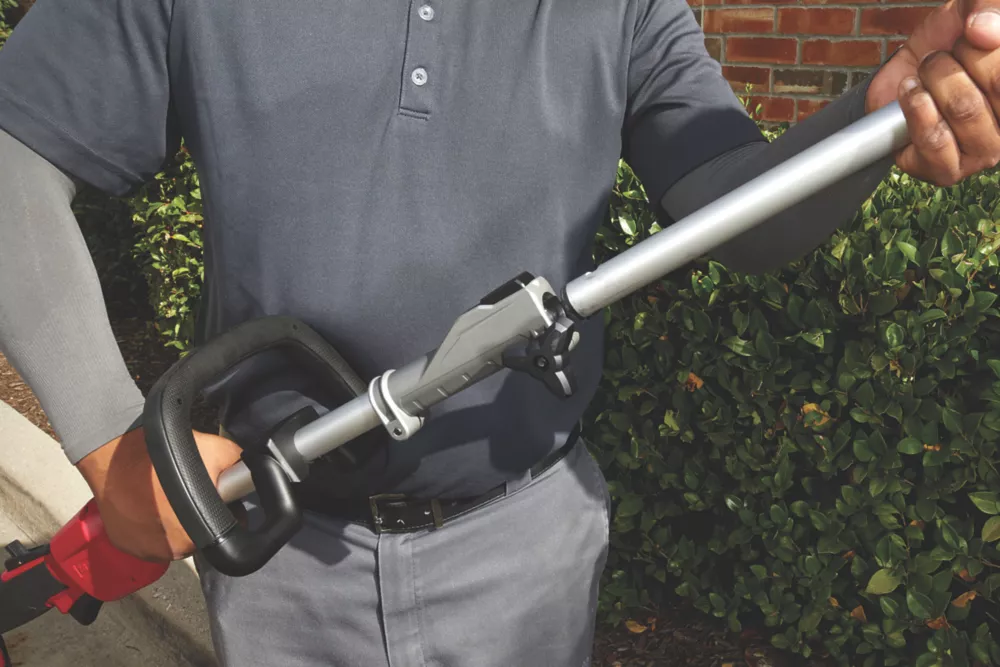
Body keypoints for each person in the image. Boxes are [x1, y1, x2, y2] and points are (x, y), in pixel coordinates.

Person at [0, 0, 998, 665]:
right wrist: (108, 436)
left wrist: (877, 121)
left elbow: (741, 216)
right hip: (282, 554)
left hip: (526, 553)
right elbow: (14, 149)